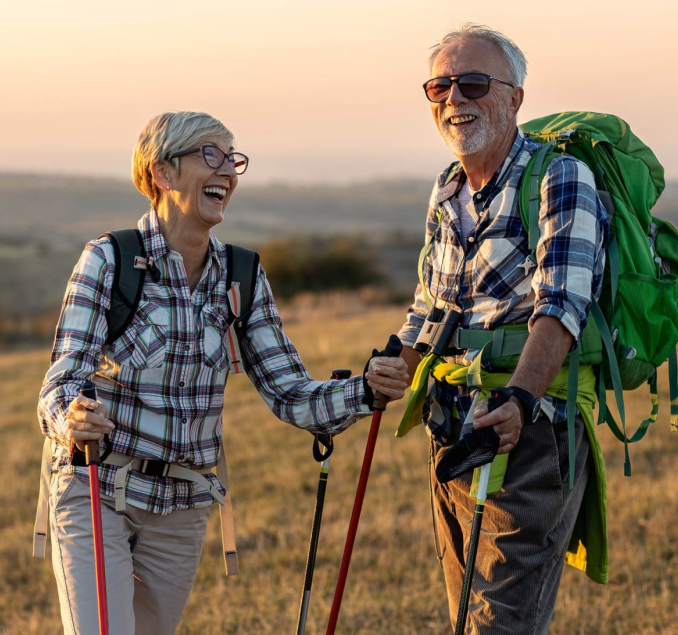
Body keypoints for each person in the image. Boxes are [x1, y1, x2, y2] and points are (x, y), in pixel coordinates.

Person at [36, 110, 408, 634]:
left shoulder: (242, 276)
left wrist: (365, 391)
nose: (228, 173)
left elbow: (290, 394)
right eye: (210, 156)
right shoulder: (109, 260)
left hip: (183, 504)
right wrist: (69, 416)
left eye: (233, 160)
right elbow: (62, 379)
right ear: (163, 173)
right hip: (97, 487)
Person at [395, 25, 609, 633]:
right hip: (452, 426)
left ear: (515, 97)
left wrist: (519, 399)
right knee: (466, 615)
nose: (454, 98)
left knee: (499, 623)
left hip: (532, 431)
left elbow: (562, 306)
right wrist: (390, 368)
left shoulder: (560, 177)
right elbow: (430, 307)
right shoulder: (447, 188)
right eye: (440, 85)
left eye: (474, 83)